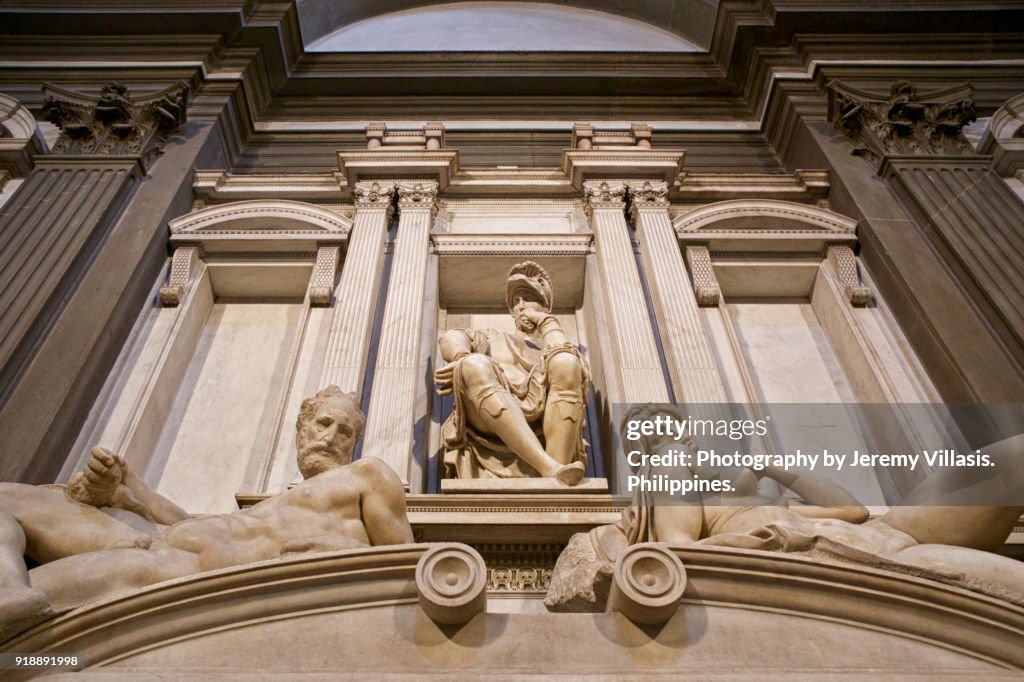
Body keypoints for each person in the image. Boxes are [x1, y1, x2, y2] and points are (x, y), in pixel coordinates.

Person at [0, 386, 413, 639]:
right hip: (161, 544)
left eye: (344, 432)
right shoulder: (274, 505)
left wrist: (341, 552)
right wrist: (126, 486)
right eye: (322, 424)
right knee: (8, 498)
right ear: (301, 430)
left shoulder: (366, 474)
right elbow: (186, 523)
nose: (329, 438)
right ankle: (9, 591)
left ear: (354, 443)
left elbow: (405, 574)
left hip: (181, 572)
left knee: (24, 658)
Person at [546, 404, 1024, 609]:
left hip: (881, 533)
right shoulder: (669, 479)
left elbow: (854, 512)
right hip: (869, 555)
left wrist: (774, 467)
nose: (682, 442)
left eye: (679, 433)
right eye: (664, 436)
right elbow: (680, 551)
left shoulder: (740, 496)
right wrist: (771, 537)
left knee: (1017, 454)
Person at [435, 261, 588, 485]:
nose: (521, 305)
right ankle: (550, 468)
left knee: (566, 361)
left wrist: (545, 321)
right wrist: (460, 356)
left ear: (546, 305)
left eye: (529, 297)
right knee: (473, 363)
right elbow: (451, 336)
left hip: (547, 420)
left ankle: (558, 476)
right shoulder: (492, 337)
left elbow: (566, 356)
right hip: (488, 418)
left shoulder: (555, 345)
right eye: (516, 301)